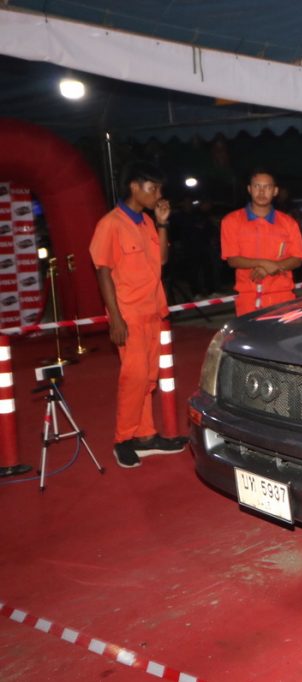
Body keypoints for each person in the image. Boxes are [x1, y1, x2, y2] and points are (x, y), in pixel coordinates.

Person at [88, 161, 189, 469]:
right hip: (129, 314)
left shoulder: (146, 222)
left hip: (152, 310)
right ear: (134, 186)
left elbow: (162, 260)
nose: (158, 194)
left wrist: (162, 223)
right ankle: (123, 440)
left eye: (159, 189)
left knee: (148, 377)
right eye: (152, 188)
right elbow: (103, 272)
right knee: (134, 377)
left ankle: (146, 436)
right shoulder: (110, 224)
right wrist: (116, 319)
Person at [220, 168, 302, 316]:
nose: (261, 192)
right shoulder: (231, 221)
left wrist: (273, 267)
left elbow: (298, 259)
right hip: (248, 298)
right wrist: (263, 263)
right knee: (249, 332)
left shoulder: (288, 223)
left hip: (282, 296)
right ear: (249, 189)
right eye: (257, 186)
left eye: (267, 187)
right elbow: (232, 259)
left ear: (275, 191)